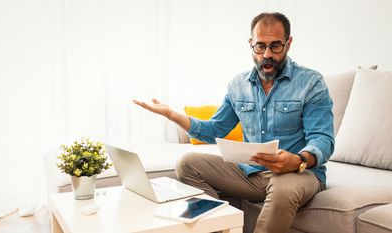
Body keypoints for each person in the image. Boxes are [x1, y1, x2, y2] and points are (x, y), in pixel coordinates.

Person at [133, 12, 334, 233]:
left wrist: (298, 160)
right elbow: (215, 130)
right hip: (251, 174)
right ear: (251, 44)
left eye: (275, 46)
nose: (267, 54)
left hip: (297, 174)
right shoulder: (238, 85)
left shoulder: (311, 82)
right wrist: (173, 115)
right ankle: (221, 228)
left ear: (288, 44)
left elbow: (322, 139)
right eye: (260, 46)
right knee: (187, 163)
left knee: (283, 188)